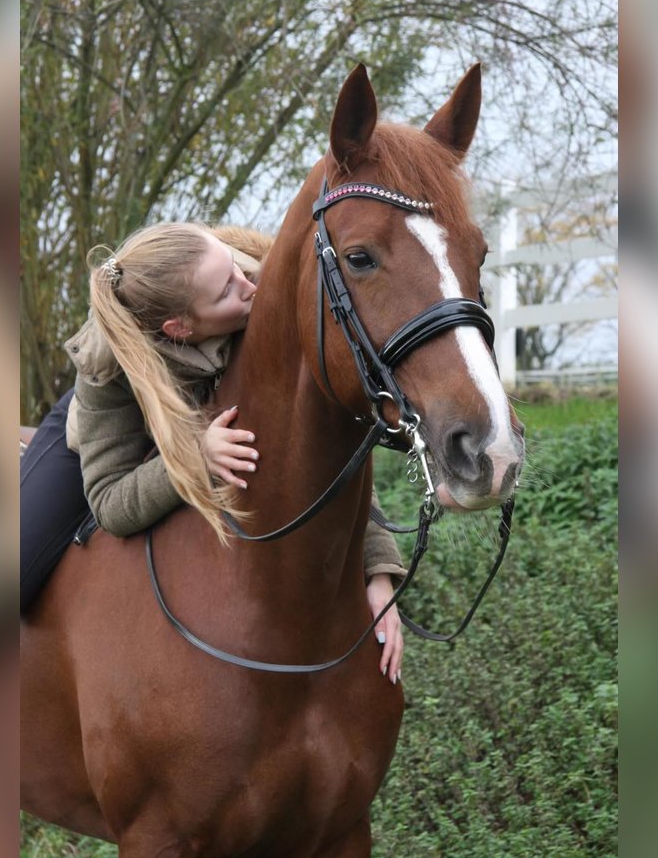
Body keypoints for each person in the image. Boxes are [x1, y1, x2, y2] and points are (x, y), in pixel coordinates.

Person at [20, 222, 406, 683]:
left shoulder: (256, 283)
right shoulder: (107, 369)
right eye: (227, 290)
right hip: (108, 435)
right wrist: (194, 459)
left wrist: (377, 570)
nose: (250, 287)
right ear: (179, 327)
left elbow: (331, 442)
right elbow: (110, 503)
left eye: (235, 269)